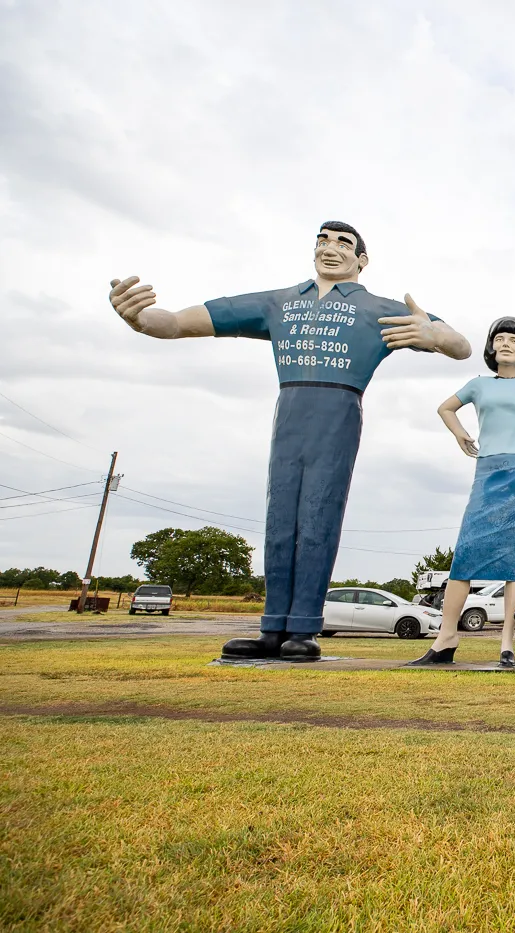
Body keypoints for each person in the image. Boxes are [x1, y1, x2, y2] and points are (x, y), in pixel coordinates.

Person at [108, 222, 471, 660]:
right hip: (290, 410)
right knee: (280, 518)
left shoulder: (379, 309)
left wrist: (436, 336)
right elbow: (178, 323)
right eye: (322, 240)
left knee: (319, 514)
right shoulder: (278, 303)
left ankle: (304, 627)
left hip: (339, 409)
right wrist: (141, 319)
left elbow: (461, 345)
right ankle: (272, 627)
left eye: (343, 243)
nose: (330, 249)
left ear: (362, 260)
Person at [411, 305, 515, 668]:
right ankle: (446, 638)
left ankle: (507, 644)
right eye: (499, 338)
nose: (505, 343)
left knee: (512, 561)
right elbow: (445, 408)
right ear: (490, 348)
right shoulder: (478, 385)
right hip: (487, 474)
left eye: (514, 339)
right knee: (464, 554)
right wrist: (460, 435)